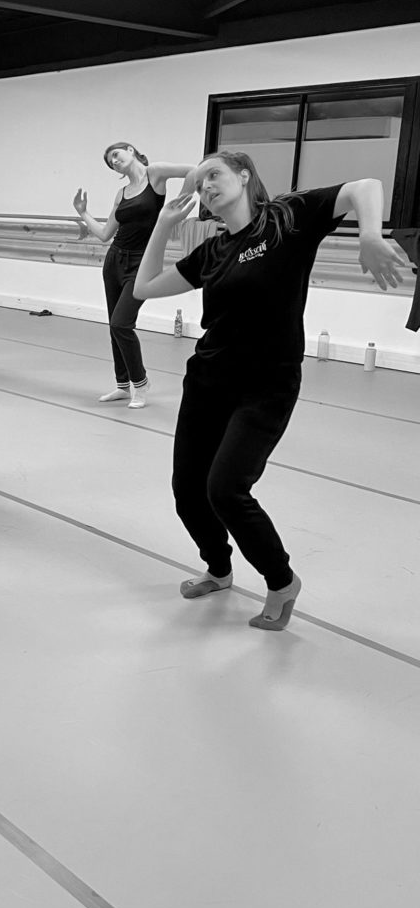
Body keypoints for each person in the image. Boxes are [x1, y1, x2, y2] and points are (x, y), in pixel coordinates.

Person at [134, 151, 406, 630]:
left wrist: (369, 235)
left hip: (266, 386)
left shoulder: (287, 219)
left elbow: (364, 184)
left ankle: (281, 580)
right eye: (200, 183)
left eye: (213, 174)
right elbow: (145, 287)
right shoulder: (212, 251)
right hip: (207, 381)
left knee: (226, 489)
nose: (206, 187)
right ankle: (218, 569)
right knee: (187, 492)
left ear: (244, 175)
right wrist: (162, 224)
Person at [73, 143, 196, 408]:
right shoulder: (121, 194)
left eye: (116, 155)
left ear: (131, 150)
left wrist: (178, 205)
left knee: (121, 323)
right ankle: (122, 385)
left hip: (143, 261)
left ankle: (140, 384)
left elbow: (194, 171)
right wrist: (83, 213)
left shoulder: (156, 174)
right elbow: (106, 233)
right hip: (115, 260)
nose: (114, 162)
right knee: (113, 326)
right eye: (110, 162)